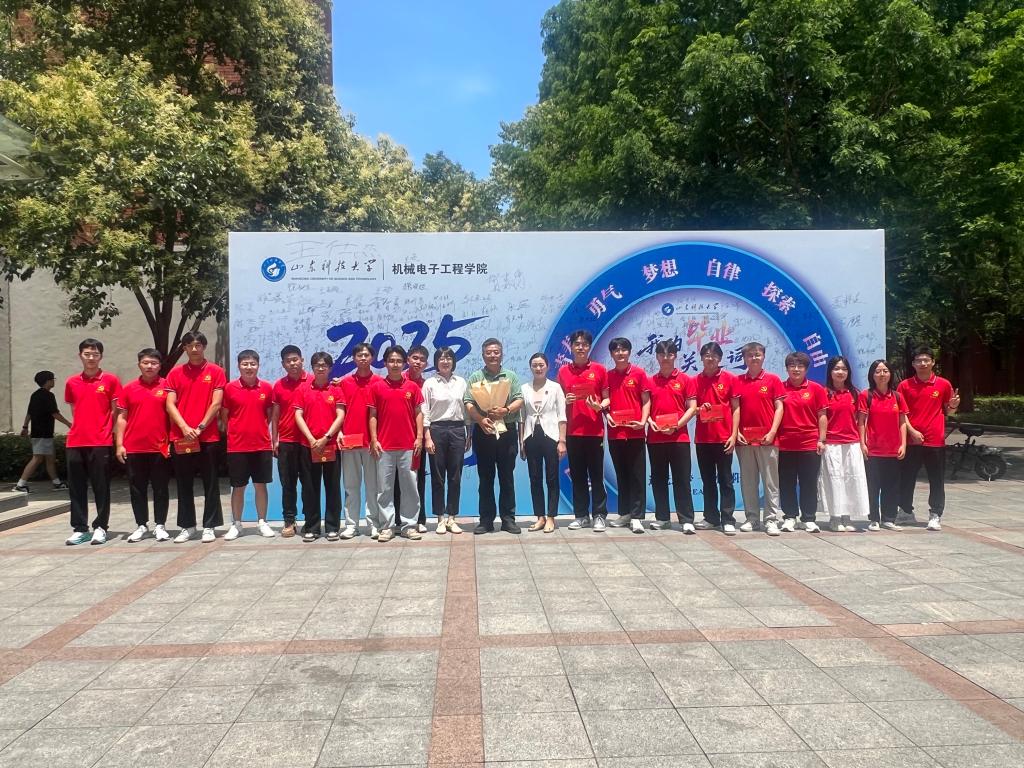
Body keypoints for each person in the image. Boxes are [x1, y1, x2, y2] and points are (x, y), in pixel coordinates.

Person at [166, 331, 226, 544]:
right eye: (189, 345)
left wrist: (200, 428)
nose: (194, 349)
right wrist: (184, 427)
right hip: (181, 437)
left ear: (204, 347)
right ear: (184, 348)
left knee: (211, 482)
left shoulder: (216, 371)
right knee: (184, 483)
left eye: (198, 345)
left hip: (207, 437)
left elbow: (216, 403)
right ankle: (187, 526)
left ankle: (209, 526)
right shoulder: (175, 373)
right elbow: (170, 404)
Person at [63, 339, 121, 546]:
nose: (91, 358)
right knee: (76, 487)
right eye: (87, 354)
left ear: (101, 357)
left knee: (101, 486)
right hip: (75, 441)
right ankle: (80, 529)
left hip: (100, 441)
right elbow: (74, 410)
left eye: (95, 354)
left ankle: (100, 527)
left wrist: (108, 431)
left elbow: (116, 411)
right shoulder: (71, 382)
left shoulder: (111, 380)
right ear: (80, 355)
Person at [464, 338, 524, 534]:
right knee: (485, 478)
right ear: (483, 355)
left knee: (507, 478)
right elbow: (468, 402)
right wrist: (480, 419)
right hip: (484, 432)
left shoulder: (511, 376)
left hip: (507, 431)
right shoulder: (476, 377)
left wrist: (506, 410)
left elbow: (519, 399)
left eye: (496, 352)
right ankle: (486, 521)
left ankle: (508, 520)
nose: (492, 355)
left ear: (501, 354)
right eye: (488, 352)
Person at [898, 346, 959, 531]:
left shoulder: (943, 384)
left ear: (933, 362)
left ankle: (935, 514)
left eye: (926, 360)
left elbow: (949, 411)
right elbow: (901, 414)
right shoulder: (905, 385)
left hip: (935, 440)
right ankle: (905, 511)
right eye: (919, 360)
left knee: (936, 479)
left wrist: (953, 406)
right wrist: (912, 432)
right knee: (906, 477)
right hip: (911, 440)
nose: (923, 363)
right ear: (913, 364)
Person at [115, 349, 172, 542]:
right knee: (137, 489)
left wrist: (172, 442)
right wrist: (119, 444)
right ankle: (141, 525)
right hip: (134, 448)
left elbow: (173, 416)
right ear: (139, 364)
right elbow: (122, 417)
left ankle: (160, 525)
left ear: (160, 365)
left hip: (160, 448)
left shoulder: (167, 387)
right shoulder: (129, 388)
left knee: (161, 488)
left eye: (154, 363)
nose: (149, 366)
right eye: (145, 362)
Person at [369, 345, 425, 542]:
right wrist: (374, 439)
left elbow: (419, 413)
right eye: (391, 361)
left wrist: (419, 437)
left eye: (399, 361)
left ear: (404, 363)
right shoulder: (377, 387)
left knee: (410, 488)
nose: (395, 364)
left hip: (409, 446)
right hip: (384, 447)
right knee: (384, 489)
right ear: (385, 363)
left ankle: (410, 525)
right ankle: (387, 527)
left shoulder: (412, 387)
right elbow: (373, 415)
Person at [220, 350, 277, 541]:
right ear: (239, 366)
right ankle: (237, 524)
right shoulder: (230, 388)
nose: (249, 367)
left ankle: (262, 522)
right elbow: (225, 416)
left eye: (252, 364)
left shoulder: (267, 388)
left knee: (261, 485)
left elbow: (269, 414)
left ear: (258, 365)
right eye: (245, 364)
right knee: (238, 487)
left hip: (262, 445)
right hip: (237, 447)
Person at [557, 330, 609, 531]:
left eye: (584, 344)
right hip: (572, 432)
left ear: (589, 347)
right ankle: (581, 515)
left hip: (594, 431)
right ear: (571, 347)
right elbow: (557, 401)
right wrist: (565, 400)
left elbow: (607, 398)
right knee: (578, 476)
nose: (581, 347)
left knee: (596, 476)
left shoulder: (599, 369)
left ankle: (599, 515)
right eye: (577, 344)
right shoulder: (563, 371)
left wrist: (599, 406)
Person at [645, 341, 697, 532]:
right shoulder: (650, 381)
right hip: (655, 438)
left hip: (679, 438)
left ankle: (686, 519)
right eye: (661, 354)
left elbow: (692, 408)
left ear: (675, 356)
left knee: (682, 479)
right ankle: (662, 517)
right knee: (658, 479)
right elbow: (645, 407)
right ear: (657, 357)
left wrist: (677, 425)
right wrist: (650, 422)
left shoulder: (686, 380)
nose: (665, 358)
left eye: (669, 354)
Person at [734, 342, 785, 536]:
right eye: (749, 355)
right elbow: (734, 409)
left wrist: (772, 432)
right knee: (748, 481)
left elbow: (779, 408)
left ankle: (771, 519)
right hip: (745, 441)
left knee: (771, 482)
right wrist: (736, 432)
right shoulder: (738, 381)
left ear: (763, 356)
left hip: (768, 440)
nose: (754, 358)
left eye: (757, 354)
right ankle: (752, 518)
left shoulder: (773, 380)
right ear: (744, 359)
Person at [294, 352, 346, 541]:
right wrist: (311, 439)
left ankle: (332, 526)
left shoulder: (336, 390)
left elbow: (340, 415)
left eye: (324, 365)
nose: (321, 368)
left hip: (330, 446)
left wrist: (326, 437)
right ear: (312, 367)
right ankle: (312, 527)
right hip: (308, 446)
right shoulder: (303, 389)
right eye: (317, 365)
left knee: (332, 487)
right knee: (310, 487)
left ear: (330, 368)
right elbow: (298, 415)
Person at [777, 352, 828, 533]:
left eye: (800, 366)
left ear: (806, 369)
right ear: (787, 368)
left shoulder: (816, 389)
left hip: (809, 443)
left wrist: (821, 439)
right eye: (792, 366)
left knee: (809, 482)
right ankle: (790, 517)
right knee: (786, 482)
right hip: (785, 444)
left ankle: (809, 518)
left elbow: (822, 415)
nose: (796, 369)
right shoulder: (780, 388)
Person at [693, 342, 740, 535]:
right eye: (706, 355)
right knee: (708, 481)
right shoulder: (695, 380)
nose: (710, 358)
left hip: (724, 438)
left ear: (720, 358)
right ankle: (711, 518)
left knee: (726, 480)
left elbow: (736, 408)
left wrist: (734, 435)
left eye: (714, 355)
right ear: (701, 358)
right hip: (703, 439)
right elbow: (691, 409)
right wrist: (699, 409)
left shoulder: (729, 378)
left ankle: (728, 519)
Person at [818, 355, 870, 532]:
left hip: (852, 444)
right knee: (834, 480)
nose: (840, 372)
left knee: (851, 480)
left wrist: (862, 443)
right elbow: (821, 418)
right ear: (830, 372)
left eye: (844, 369)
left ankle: (847, 516)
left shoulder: (855, 393)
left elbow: (861, 421)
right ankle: (835, 517)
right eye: (836, 369)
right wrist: (822, 440)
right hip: (831, 444)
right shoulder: (824, 393)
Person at [605, 338, 651, 533]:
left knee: (637, 476)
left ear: (629, 352)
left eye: (624, 349)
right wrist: (607, 416)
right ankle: (624, 514)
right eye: (616, 350)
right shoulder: (608, 376)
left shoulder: (639, 374)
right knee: (621, 474)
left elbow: (646, 401)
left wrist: (643, 421)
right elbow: (605, 402)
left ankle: (637, 516)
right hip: (616, 434)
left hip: (636, 433)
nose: (620, 353)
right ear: (611, 354)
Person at [423, 346, 470, 535]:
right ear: (436, 362)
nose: (445, 361)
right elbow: (425, 411)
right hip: (436, 430)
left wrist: (469, 433)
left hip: (458, 430)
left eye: (449, 358)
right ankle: (440, 519)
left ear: (453, 361)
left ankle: (452, 518)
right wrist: (427, 436)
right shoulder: (429, 383)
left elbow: (467, 410)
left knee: (455, 476)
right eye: (441, 358)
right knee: (438, 476)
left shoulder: (461, 382)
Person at [338, 343, 382, 539]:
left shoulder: (380, 382)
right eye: (359, 355)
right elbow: (339, 412)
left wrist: (376, 439)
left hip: (372, 442)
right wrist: (339, 432)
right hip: (350, 440)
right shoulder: (345, 383)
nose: (363, 358)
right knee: (351, 486)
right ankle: (351, 524)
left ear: (372, 358)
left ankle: (374, 523)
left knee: (373, 486)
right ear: (354, 358)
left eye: (366, 355)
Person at [519, 352, 567, 533]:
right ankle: (540, 516)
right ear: (530, 367)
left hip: (551, 436)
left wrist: (562, 441)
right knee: (535, 477)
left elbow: (562, 416)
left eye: (541, 365)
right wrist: (521, 441)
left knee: (552, 477)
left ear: (547, 367)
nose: (538, 368)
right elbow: (521, 417)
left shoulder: (555, 388)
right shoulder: (524, 388)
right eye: (535, 365)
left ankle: (551, 517)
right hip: (531, 436)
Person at [859, 360, 909, 531]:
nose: (882, 374)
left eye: (885, 371)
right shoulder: (866, 395)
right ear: (872, 375)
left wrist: (903, 444)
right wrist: (862, 443)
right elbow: (861, 421)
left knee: (892, 486)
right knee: (873, 486)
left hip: (893, 450)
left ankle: (889, 518)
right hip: (873, 449)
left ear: (890, 374)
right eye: (878, 371)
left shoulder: (897, 396)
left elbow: (902, 422)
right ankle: (873, 518)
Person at [271, 344, 310, 538]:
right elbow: (275, 414)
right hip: (286, 441)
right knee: (288, 484)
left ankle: (310, 519)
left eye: (295, 359)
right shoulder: (279, 385)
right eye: (288, 361)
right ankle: (289, 520)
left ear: (302, 360)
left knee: (309, 482)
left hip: (308, 441)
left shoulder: (312, 381)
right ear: (283, 364)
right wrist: (275, 439)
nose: (293, 363)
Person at [14, 370, 71, 492]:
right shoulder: (48, 396)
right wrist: (69, 424)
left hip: (38, 432)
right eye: (52, 379)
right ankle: (20, 484)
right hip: (43, 433)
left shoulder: (35, 395)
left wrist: (25, 427)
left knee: (50, 458)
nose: (53, 381)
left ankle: (57, 483)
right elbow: (54, 413)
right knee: (38, 458)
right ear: (47, 381)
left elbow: (29, 412)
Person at [395, 344, 430, 532]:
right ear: (407, 359)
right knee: (396, 481)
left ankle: (419, 519)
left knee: (417, 478)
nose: (418, 362)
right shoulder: (397, 379)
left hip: (418, 439)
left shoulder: (426, 385)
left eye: (422, 360)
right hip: (396, 440)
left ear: (426, 364)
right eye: (415, 358)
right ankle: (397, 520)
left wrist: (422, 437)